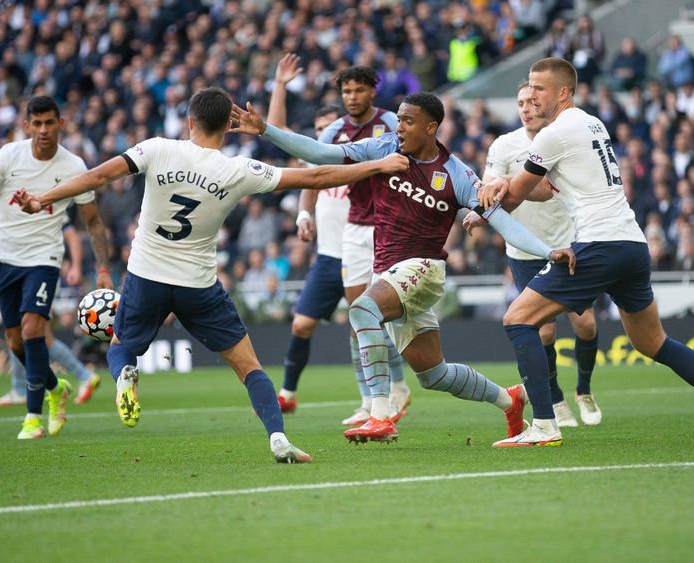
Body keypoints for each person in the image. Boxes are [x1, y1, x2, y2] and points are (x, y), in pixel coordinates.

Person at [15, 87, 409, 463]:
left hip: (146, 274)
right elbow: (315, 177)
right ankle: (278, 438)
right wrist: (377, 165)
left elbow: (98, 177)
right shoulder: (238, 169)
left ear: (189, 122)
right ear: (226, 127)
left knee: (120, 345)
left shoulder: (156, 149)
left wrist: (42, 198)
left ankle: (126, 374)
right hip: (198, 284)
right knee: (249, 367)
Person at [233, 91, 574, 445]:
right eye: (398, 120)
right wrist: (265, 131)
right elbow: (320, 155)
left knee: (362, 309)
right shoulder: (383, 149)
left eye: (408, 122)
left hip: (424, 269)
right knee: (433, 373)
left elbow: (504, 224)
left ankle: (380, 415)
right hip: (389, 274)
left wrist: (548, 252)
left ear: (431, 127)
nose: (399, 128)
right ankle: (510, 399)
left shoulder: (455, 174)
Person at [479, 57, 694, 446]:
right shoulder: (592, 123)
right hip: (632, 243)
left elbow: (512, 198)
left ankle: (545, 425)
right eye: (528, 87)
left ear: (562, 92)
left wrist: (485, 197)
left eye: (539, 88)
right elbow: (546, 188)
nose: (531, 94)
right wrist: (502, 189)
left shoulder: (553, 135)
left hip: (599, 244)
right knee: (653, 343)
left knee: (518, 319)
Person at [0, 95, 114, 440]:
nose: (43, 130)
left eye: (50, 123)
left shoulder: (74, 166)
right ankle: (55, 388)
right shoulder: (8, 156)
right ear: (26, 125)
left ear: (61, 123)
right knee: (15, 343)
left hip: (44, 259)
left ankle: (32, 418)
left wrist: (102, 268)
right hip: (4, 258)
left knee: (32, 330)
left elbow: (92, 222)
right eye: (37, 124)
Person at [463, 80, 600, 428]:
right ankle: (556, 400)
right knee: (543, 332)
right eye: (520, 102)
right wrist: (481, 208)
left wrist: (508, 185)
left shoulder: (560, 139)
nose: (525, 108)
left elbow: (542, 191)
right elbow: (486, 185)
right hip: (525, 249)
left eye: (531, 101)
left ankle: (584, 389)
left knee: (585, 323)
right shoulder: (504, 144)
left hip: (569, 241)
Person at [316, 65, 410, 426]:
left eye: (358, 90)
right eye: (346, 92)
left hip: (391, 227)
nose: (352, 97)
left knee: (386, 318)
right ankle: (369, 400)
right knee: (358, 318)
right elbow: (315, 171)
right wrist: (304, 215)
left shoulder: (394, 124)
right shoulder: (333, 131)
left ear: (373, 90)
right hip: (356, 229)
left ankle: (395, 388)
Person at [264, 55, 355, 420]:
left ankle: (385, 397)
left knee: (366, 330)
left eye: (329, 127)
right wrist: (281, 86)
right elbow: (276, 129)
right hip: (330, 258)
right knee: (301, 324)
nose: (322, 135)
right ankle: (288, 392)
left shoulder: (359, 158)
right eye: (318, 129)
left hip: (365, 256)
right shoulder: (316, 161)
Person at [0, 222, 102, 407]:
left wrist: (76, 266)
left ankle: (21, 389)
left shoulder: (45, 200)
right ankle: (22, 388)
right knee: (25, 334)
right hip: (28, 273)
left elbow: (71, 233)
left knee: (31, 333)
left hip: (38, 275)